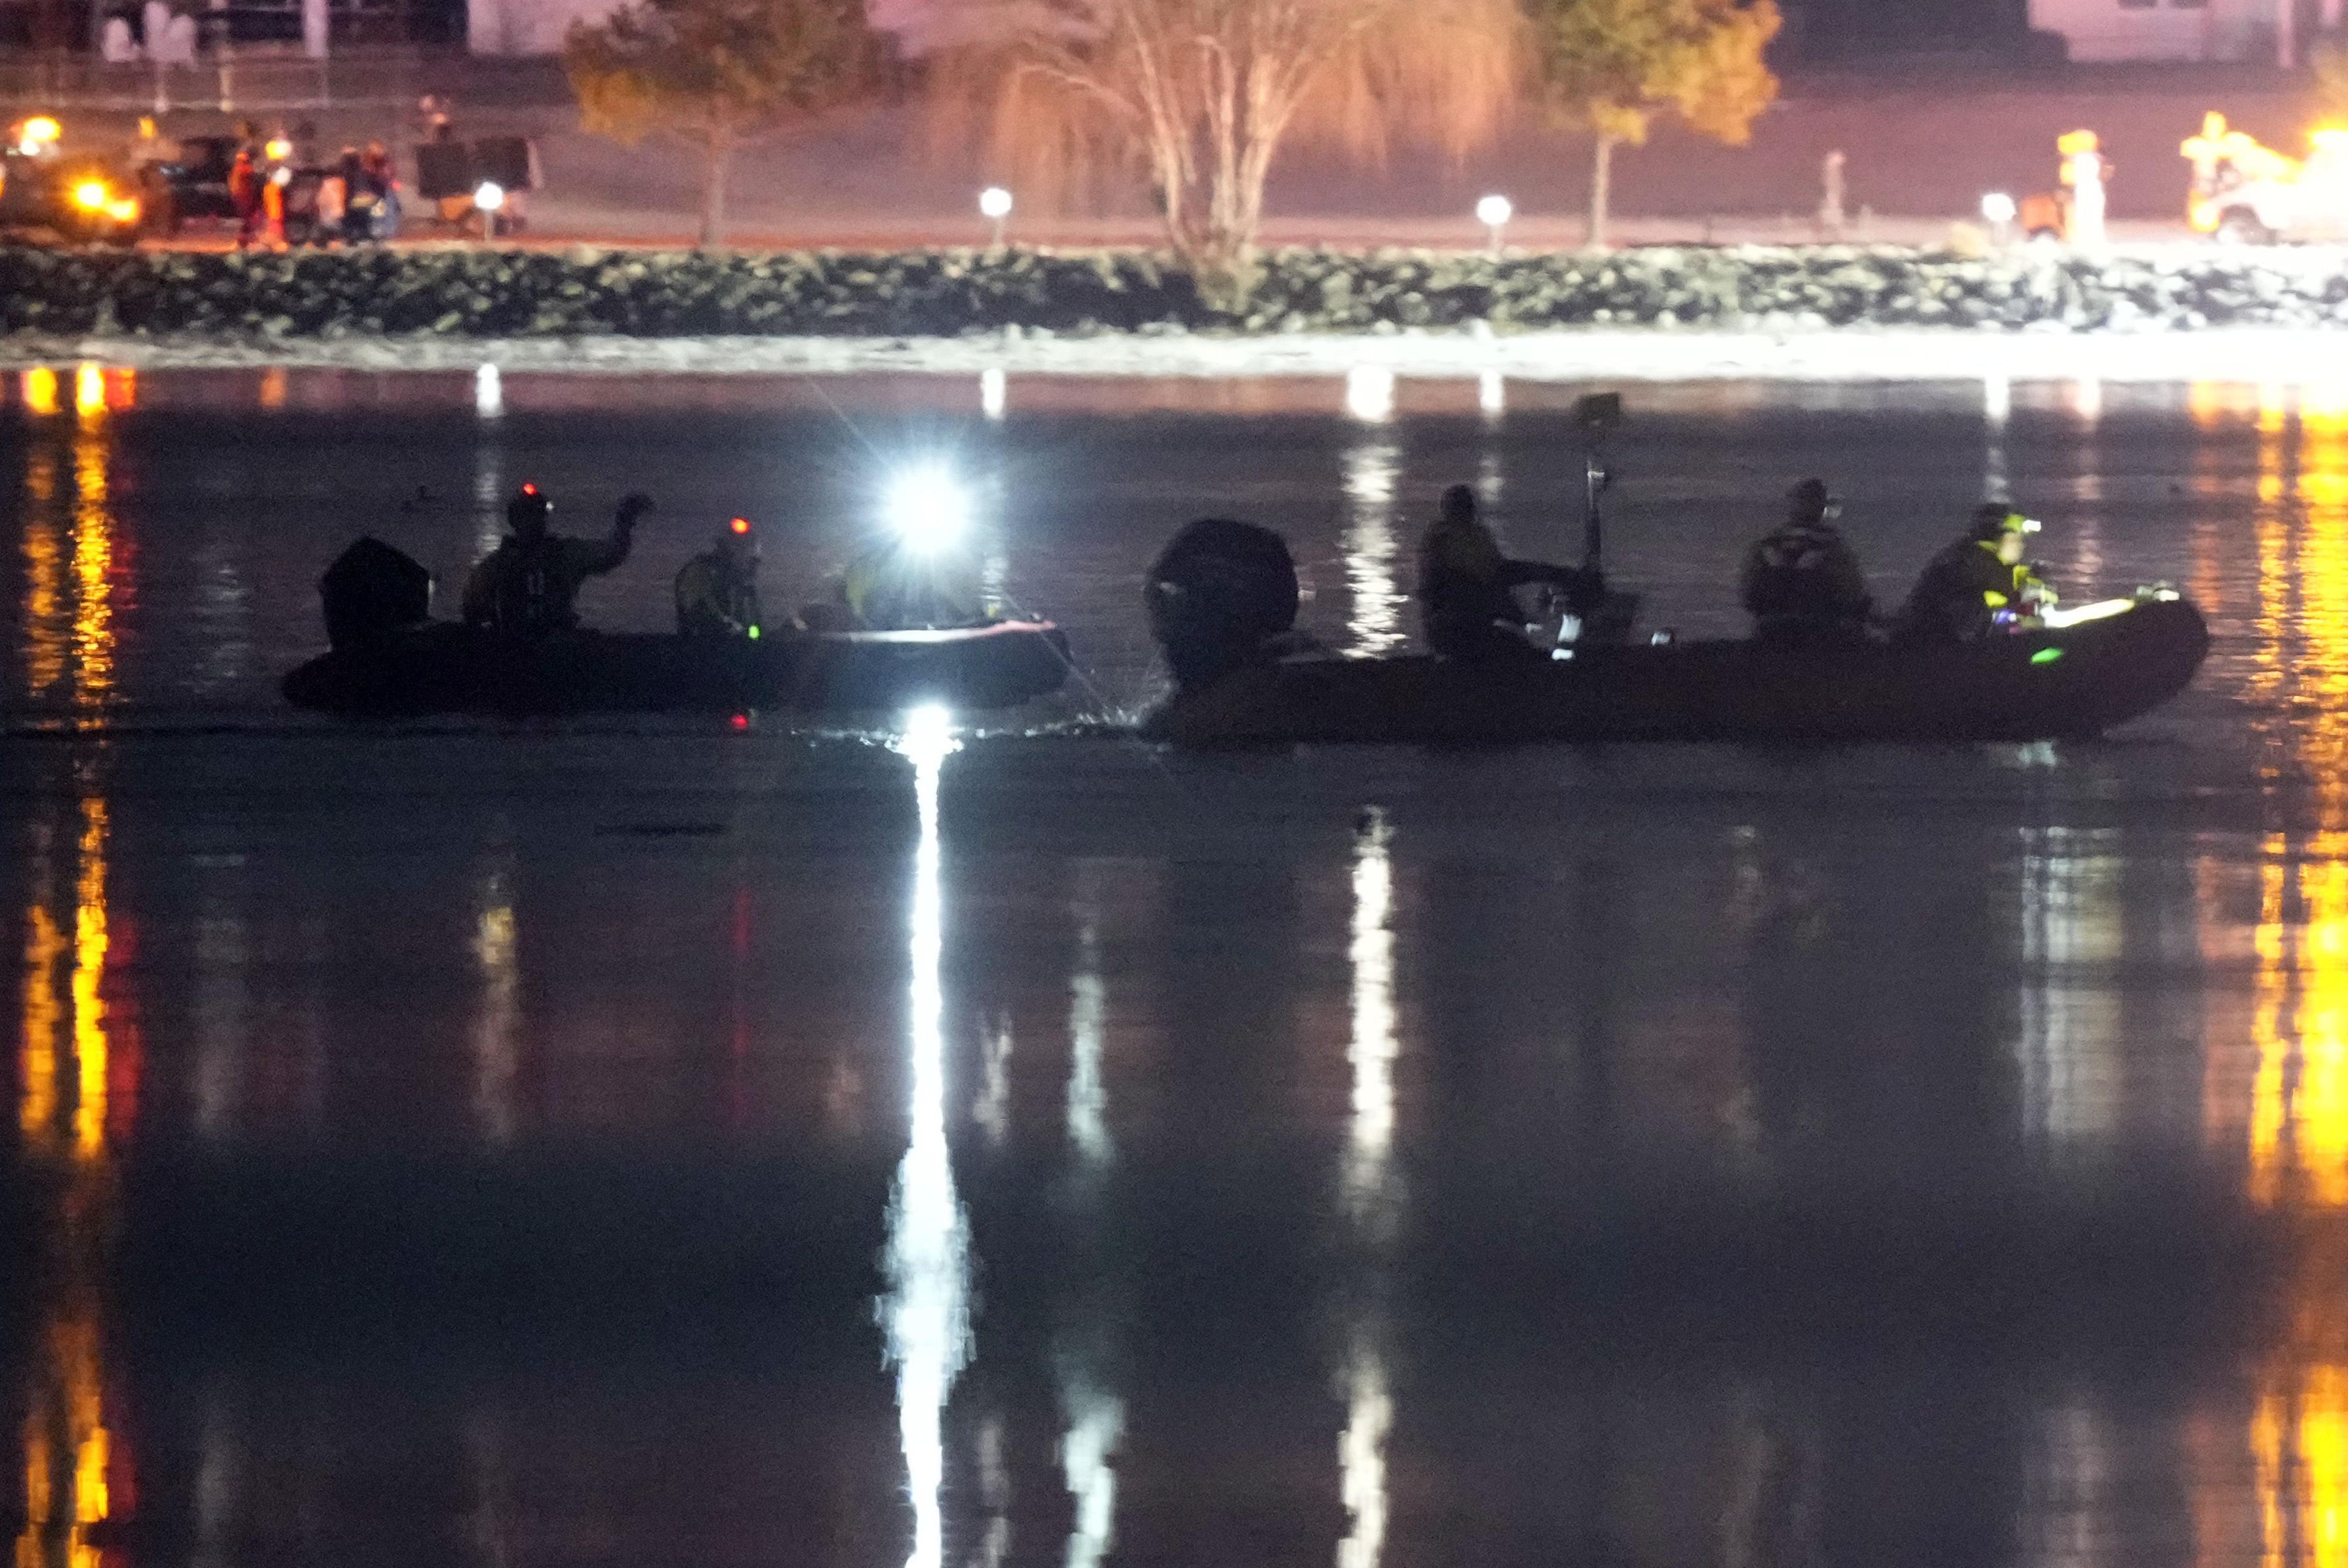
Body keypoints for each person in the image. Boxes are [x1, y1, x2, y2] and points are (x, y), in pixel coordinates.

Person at [1416, 482, 1598, 661]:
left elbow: (1498, 575)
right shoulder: (1459, 540)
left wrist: (1552, 575)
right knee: (1525, 656)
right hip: (1459, 630)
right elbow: (1490, 580)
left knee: (1521, 649)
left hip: (1451, 630)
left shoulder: (1442, 538)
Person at [462, 484, 654, 636]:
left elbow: (610, 554)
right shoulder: (495, 566)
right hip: (514, 652)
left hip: (557, 649)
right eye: (528, 515)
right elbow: (472, 611)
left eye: (538, 515)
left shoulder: (566, 553)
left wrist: (624, 521)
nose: (534, 521)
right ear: (515, 520)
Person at [1897, 503, 2058, 644]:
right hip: (1941, 651)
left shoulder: (1962, 555)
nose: (2021, 544)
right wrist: (2033, 591)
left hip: (1935, 642)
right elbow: (2012, 606)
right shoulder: (1976, 563)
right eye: (2016, 537)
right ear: (1997, 537)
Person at [1739, 477, 1871, 647]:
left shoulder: (1768, 543)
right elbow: (1851, 592)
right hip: (1824, 632)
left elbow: (1749, 596)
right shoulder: (1833, 544)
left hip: (1771, 629)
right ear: (1821, 506)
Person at [675, 517, 765, 638]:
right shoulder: (700, 570)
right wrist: (726, 623)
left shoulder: (737, 580)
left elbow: (751, 619)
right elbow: (702, 604)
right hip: (704, 637)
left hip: (724, 634)